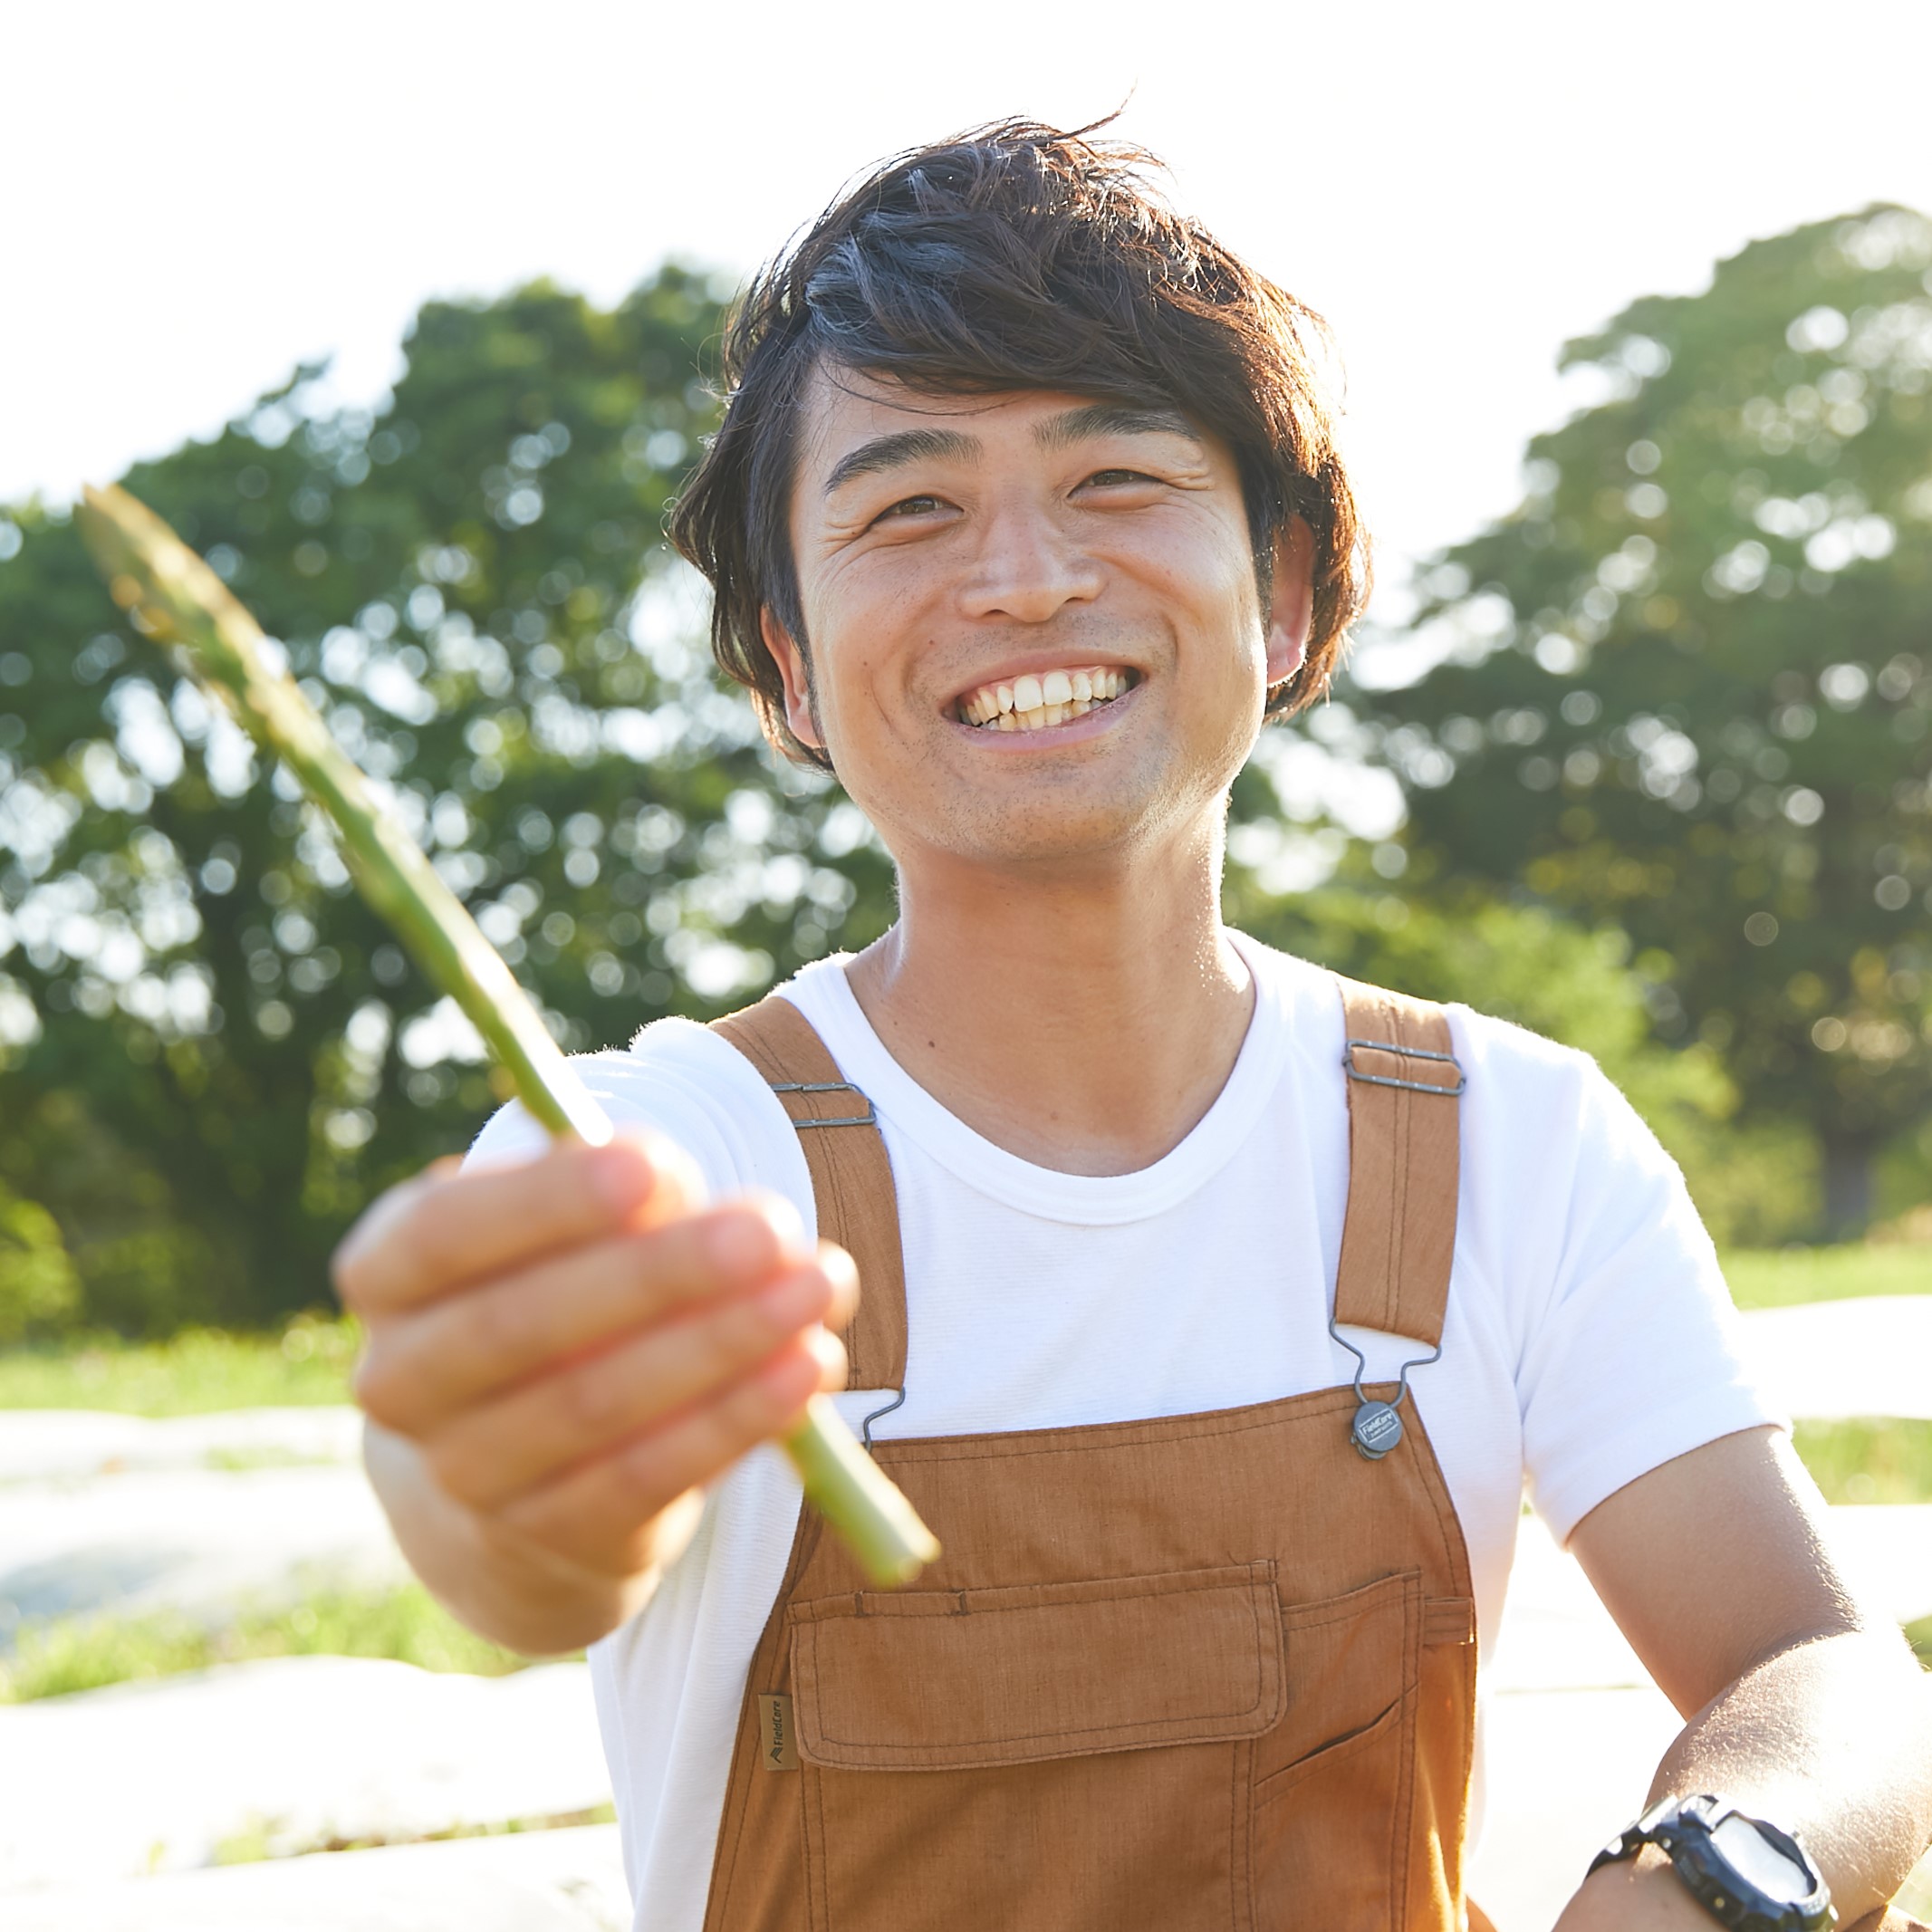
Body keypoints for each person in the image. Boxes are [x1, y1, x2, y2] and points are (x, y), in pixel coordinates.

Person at [332, 120, 1932, 1931]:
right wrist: (489, 1472)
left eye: (1113, 477)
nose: (1021, 577)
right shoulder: (662, 1154)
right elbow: (513, 1554)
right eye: (906, 505)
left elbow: (1823, 1664)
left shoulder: (1507, 1133)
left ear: (1286, 588)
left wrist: (1710, 1867)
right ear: (781, 653)